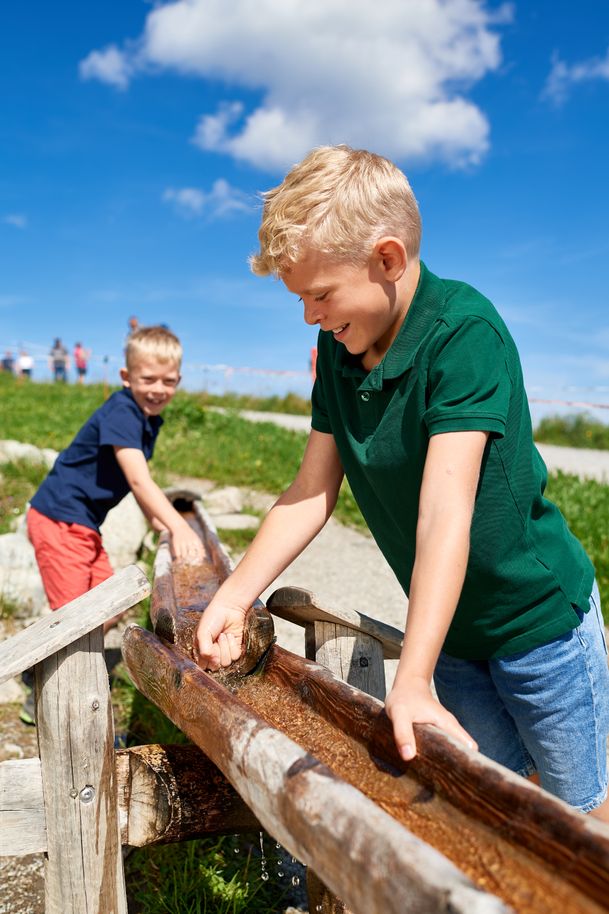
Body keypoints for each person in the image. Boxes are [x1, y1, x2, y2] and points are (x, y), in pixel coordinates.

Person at [194, 145, 609, 822]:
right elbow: (310, 489)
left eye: (319, 295)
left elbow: (445, 511)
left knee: (577, 811)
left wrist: (408, 680)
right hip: (448, 634)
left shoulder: (462, 332)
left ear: (386, 260)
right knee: (488, 804)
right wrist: (236, 595)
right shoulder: (338, 350)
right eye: (299, 299)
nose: (309, 316)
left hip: (538, 628)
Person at [22, 325, 205, 724]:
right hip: (59, 519)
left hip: (83, 525)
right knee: (76, 621)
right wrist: (179, 527)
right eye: (148, 379)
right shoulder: (123, 410)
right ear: (127, 377)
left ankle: (40, 660)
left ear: (178, 380)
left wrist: (157, 520)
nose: (158, 388)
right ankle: (50, 701)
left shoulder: (146, 420)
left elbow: (135, 486)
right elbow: (139, 479)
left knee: (110, 602)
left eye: (168, 381)